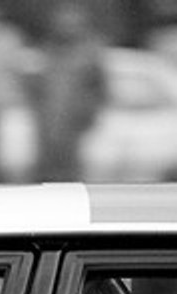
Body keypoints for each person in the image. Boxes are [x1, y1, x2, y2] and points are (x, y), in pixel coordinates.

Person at [27, 0, 106, 182]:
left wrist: (88, 112)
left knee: (72, 172)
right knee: (44, 172)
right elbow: (35, 87)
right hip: (47, 121)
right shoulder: (47, 50)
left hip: (77, 123)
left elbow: (100, 90)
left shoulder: (91, 52)